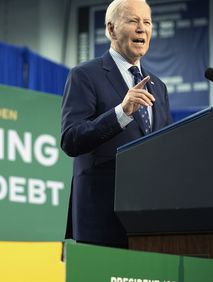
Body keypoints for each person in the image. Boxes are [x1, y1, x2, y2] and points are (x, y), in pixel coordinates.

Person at [60, 0, 173, 248]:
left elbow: (166, 147)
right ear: (111, 30)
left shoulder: (158, 87)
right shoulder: (85, 75)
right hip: (101, 219)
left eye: (147, 22)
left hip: (149, 219)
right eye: (133, 21)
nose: (142, 29)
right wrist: (121, 112)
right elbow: (71, 139)